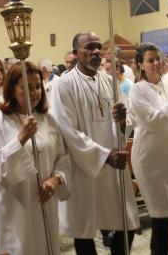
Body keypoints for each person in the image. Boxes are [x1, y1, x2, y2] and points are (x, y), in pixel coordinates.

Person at [51, 31, 139, 255]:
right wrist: (105, 156)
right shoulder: (64, 84)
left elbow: (124, 122)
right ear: (76, 54)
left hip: (112, 167)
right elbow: (68, 130)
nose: (96, 51)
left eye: (99, 47)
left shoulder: (109, 81)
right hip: (85, 168)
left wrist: (121, 122)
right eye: (90, 47)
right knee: (85, 231)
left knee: (125, 223)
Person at [0, 61, 69, 255]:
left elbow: (63, 158)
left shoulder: (48, 119)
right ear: (12, 89)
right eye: (26, 88)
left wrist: (56, 179)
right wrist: (20, 139)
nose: (35, 92)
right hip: (15, 206)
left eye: (37, 86)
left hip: (45, 203)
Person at [128, 42, 168, 255]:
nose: (156, 63)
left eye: (158, 59)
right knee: (160, 217)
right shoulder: (138, 90)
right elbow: (153, 122)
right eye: (150, 60)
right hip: (150, 162)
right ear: (140, 65)